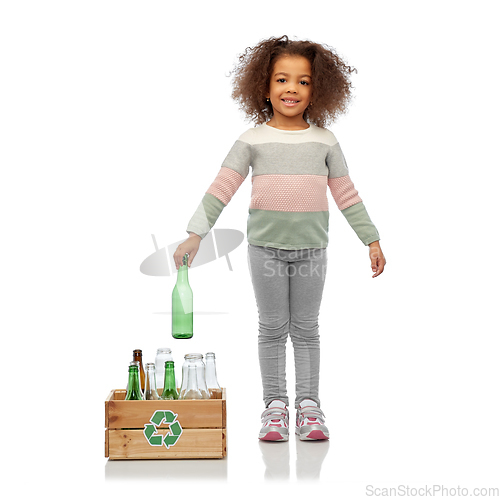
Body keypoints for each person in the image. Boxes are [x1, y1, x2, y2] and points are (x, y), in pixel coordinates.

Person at [173, 35, 386, 442]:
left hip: (312, 250)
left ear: (318, 89)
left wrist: (371, 240)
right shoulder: (251, 139)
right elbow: (222, 187)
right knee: (272, 328)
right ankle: (274, 407)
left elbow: (346, 193)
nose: (292, 89)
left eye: (303, 82)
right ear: (264, 87)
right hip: (264, 250)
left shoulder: (325, 141)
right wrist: (195, 234)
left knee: (306, 328)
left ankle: (309, 408)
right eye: (282, 80)